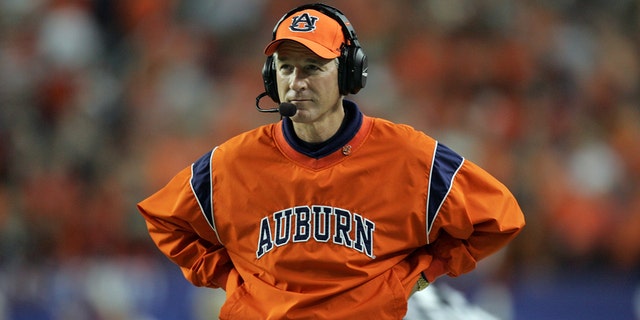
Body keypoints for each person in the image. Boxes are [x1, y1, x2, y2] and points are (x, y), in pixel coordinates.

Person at [137, 3, 525, 319]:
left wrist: (424, 273)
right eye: (286, 67)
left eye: (313, 67)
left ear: (349, 73)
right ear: (271, 78)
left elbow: (500, 216)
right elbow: (164, 219)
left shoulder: (411, 156)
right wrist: (230, 277)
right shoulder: (231, 163)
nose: (296, 81)